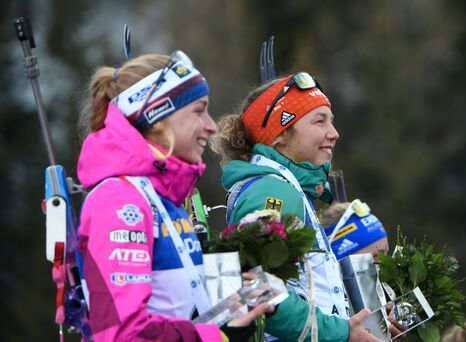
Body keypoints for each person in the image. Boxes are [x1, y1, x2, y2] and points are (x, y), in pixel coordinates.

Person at [76, 51, 271, 341]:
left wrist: (231, 312)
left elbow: (174, 311)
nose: (211, 125)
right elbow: (124, 335)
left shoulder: (163, 199)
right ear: (157, 116)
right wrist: (216, 337)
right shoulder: (120, 200)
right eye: (198, 110)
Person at [211, 73, 382, 341]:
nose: (334, 133)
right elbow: (257, 290)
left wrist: (361, 326)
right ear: (279, 135)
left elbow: (310, 293)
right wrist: (342, 334)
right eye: (319, 121)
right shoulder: (274, 190)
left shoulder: (287, 189)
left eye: (331, 121)